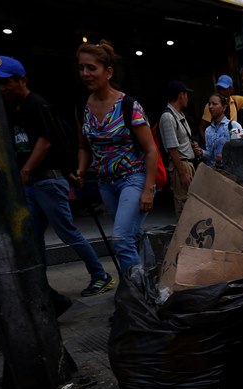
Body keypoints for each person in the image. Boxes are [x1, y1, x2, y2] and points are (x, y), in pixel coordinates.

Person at [0, 55, 114, 297]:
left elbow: (46, 141)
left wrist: (26, 170)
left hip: (46, 181)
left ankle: (100, 275)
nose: (2, 88)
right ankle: (38, 283)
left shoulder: (36, 104)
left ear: (22, 80)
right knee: (34, 236)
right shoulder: (12, 109)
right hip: (31, 184)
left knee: (67, 231)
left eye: (7, 82)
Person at [73, 41, 160, 272]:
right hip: (105, 184)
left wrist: (148, 189)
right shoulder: (82, 106)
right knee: (133, 234)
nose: (85, 73)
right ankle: (153, 277)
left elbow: (151, 150)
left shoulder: (129, 105)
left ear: (108, 72)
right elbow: (84, 146)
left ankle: (136, 296)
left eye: (91, 68)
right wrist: (81, 169)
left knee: (121, 240)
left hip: (133, 178)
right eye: (81, 68)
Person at [159, 80, 201, 218]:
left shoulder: (180, 115)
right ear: (181, 95)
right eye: (186, 94)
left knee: (192, 204)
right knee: (183, 204)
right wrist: (182, 173)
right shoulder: (168, 117)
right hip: (180, 165)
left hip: (188, 163)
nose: (187, 98)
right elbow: (172, 149)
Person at [198, 74, 243, 144]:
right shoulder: (210, 106)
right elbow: (201, 128)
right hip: (218, 140)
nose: (221, 91)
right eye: (219, 88)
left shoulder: (235, 100)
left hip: (233, 135)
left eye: (224, 89)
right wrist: (208, 145)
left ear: (231, 89)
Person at [203, 93, 243, 169]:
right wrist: (201, 152)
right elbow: (210, 155)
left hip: (230, 173)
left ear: (224, 107)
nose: (210, 107)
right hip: (213, 174)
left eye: (214, 104)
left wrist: (224, 157)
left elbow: (239, 151)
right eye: (209, 104)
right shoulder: (208, 130)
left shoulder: (233, 126)